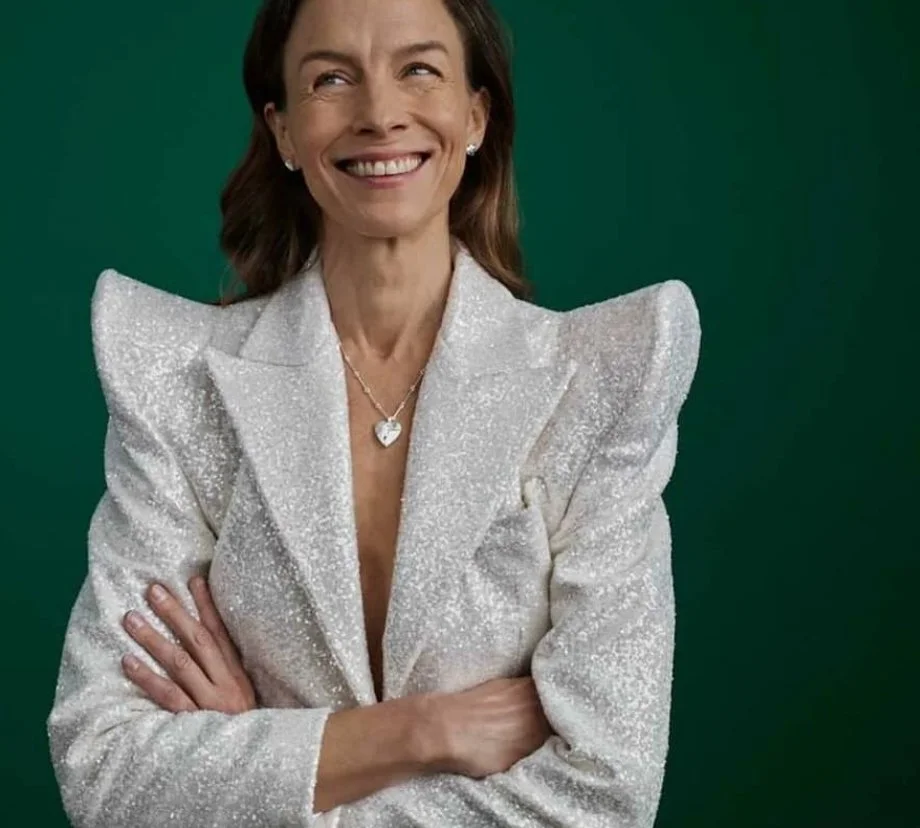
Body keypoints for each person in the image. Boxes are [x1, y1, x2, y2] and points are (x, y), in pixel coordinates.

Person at [46, 0, 702, 825]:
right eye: (331, 79)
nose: (380, 113)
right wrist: (418, 733)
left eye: (419, 69)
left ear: (475, 115)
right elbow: (105, 769)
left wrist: (257, 756)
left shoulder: (601, 379)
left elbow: (604, 796)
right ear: (284, 131)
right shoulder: (175, 377)